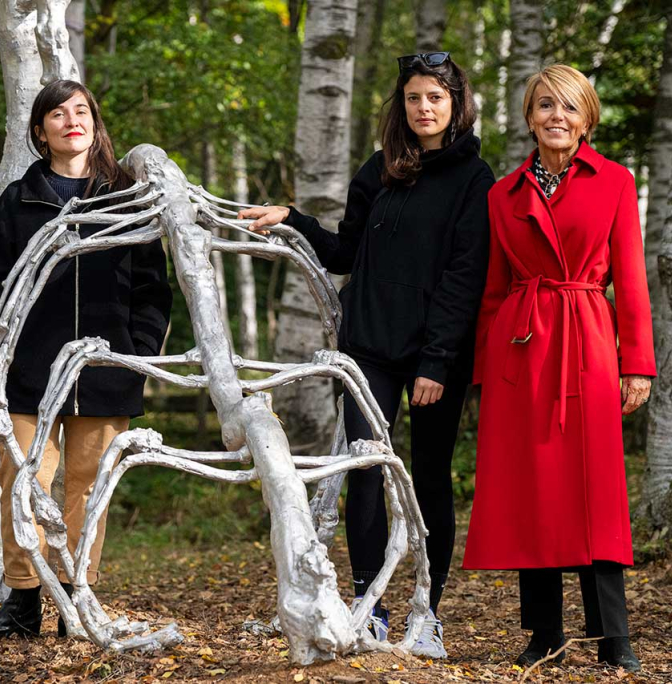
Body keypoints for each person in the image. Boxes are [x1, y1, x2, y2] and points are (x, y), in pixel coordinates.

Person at [240, 53, 494, 658]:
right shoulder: (380, 170)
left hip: (436, 358)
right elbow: (346, 250)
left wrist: (436, 362)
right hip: (370, 349)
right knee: (365, 471)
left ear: (456, 104)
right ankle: (369, 605)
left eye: (435, 97)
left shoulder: (475, 181)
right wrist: (294, 221)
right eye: (413, 98)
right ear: (401, 105)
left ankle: (426, 614)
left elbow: (466, 277)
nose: (424, 108)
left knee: (429, 479)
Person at [463, 65, 655, 672]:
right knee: (535, 490)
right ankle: (544, 633)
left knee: (598, 489)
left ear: (587, 118)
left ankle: (612, 637)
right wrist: (484, 371)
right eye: (545, 106)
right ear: (529, 115)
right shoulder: (503, 194)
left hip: (590, 340)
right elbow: (492, 291)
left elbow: (630, 279)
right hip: (523, 348)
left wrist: (638, 365)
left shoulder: (616, 183)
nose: (557, 118)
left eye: (569, 108)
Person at [0, 80, 172, 642]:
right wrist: (6, 351)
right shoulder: (20, 199)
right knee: (24, 482)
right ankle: (24, 601)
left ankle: (77, 598)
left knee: (89, 486)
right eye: (57, 114)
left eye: (81, 111)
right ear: (40, 131)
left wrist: (137, 354)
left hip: (107, 372)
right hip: (31, 372)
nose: (70, 120)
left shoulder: (127, 197)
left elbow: (154, 289)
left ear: (95, 124)